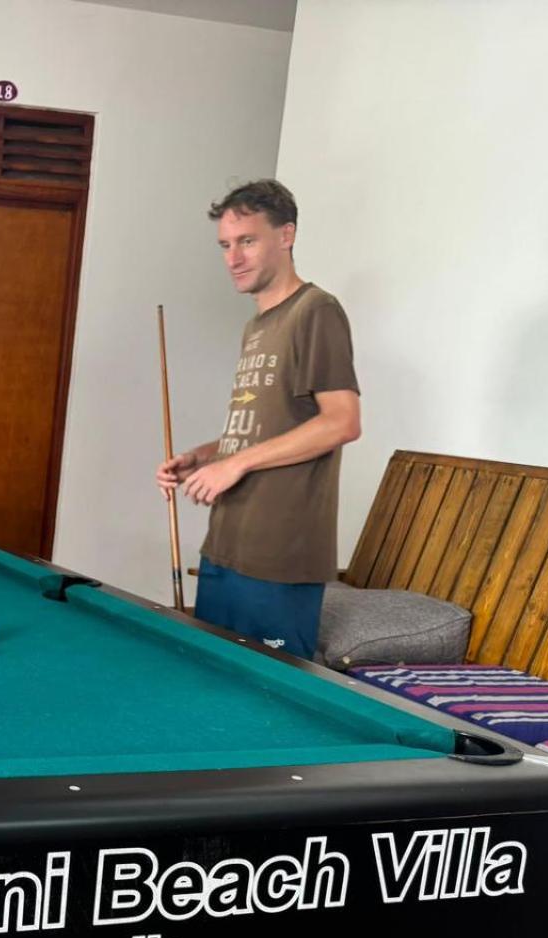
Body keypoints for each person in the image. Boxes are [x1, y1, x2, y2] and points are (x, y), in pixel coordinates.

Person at [157, 179, 362, 659]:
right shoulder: (256, 325)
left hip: (278, 558)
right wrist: (204, 457)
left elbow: (342, 422)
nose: (233, 258)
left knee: (270, 691)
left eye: (247, 241)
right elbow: (271, 424)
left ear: (286, 235)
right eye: (225, 245)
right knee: (208, 681)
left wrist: (236, 464)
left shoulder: (316, 310)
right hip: (226, 545)